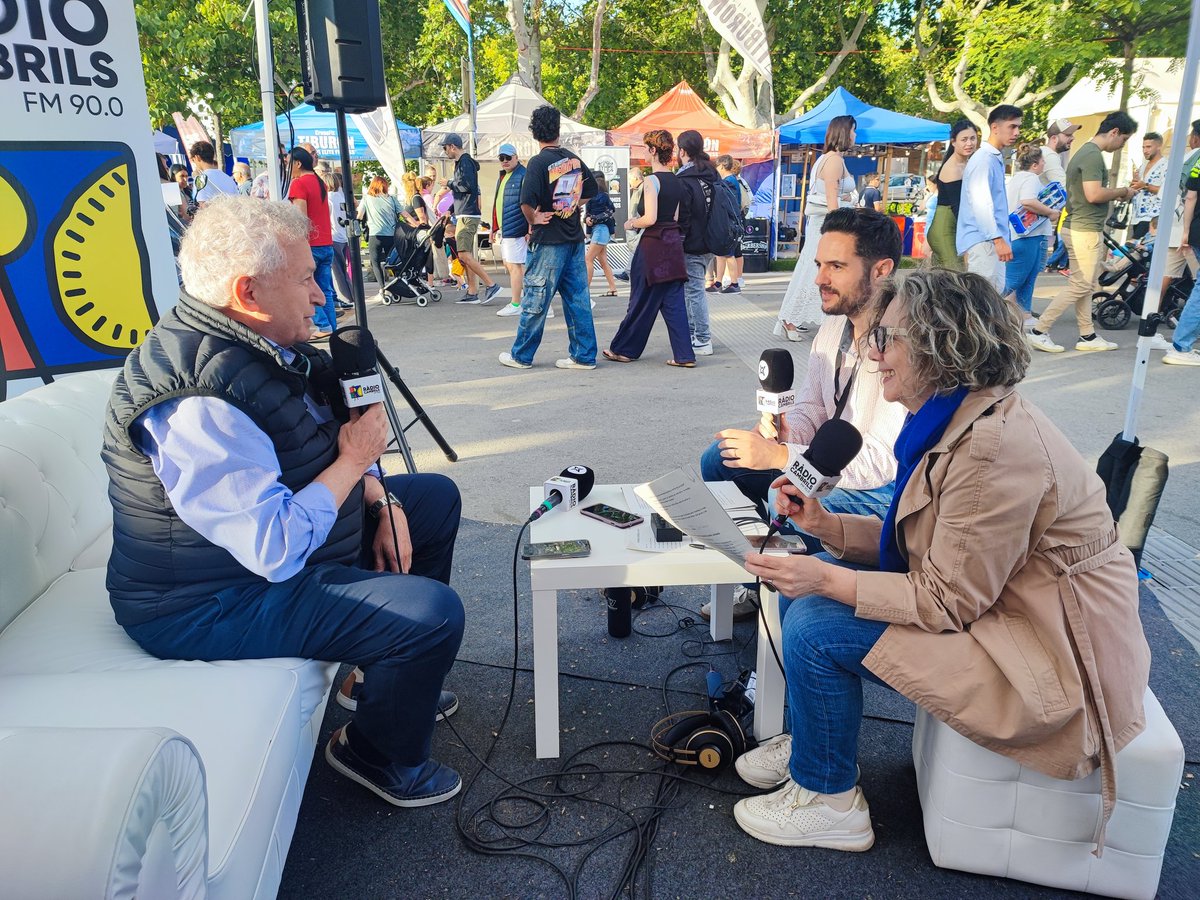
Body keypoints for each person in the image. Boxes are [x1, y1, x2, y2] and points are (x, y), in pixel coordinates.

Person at [731, 268, 1150, 853]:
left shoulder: (989, 448)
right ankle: (813, 745)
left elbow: (945, 598)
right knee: (814, 595)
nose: (872, 354)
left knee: (815, 623)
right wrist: (826, 527)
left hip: (1053, 661)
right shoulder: (960, 418)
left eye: (886, 338)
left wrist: (827, 576)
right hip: (1011, 620)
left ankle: (827, 799)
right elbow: (930, 547)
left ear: (941, 346)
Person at [103, 196, 467, 808]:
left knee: (429, 500)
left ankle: (386, 682)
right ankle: (375, 754)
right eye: (305, 280)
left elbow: (317, 439)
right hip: (206, 602)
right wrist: (355, 463)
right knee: (429, 613)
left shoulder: (252, 344)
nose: (321, 295)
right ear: (248, 293)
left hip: (249, 562)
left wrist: (376, 497)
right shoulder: (199, 403)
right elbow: (274, 549)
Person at [700, 208, 906, 619]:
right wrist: (782, 436)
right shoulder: (834, 326)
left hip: (886, 494)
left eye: (836, 266)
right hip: (832, 465)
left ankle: (792, 599)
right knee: (720, 458)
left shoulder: (904, 342)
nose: (819, 279)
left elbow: (882, 463)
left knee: (787, 503)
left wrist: (783, 460)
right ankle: (757, 585)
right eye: (817, 264)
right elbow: (813, 406)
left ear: (881, 270)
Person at [1028, 111, 1138, 353]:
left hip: (1078, 226)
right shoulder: (1092, 156)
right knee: (1080, 285)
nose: (1122, 145)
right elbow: (1094, 194)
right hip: (1084, 229)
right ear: (1114, 132)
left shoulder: (1085, 152)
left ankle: (1087, 335)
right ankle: (1039, 331)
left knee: (1085, 285)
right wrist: (1122, 191)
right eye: (1125, 139)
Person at [500, 105, 599, 371]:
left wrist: (535, 218)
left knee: (535, 297)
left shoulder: (538, 162)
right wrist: (572, 204)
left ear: (534, 132)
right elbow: (593, 188)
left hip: (548, 240)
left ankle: (521, 355)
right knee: (578, 298)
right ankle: (584, 355)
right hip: (574, 238)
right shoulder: (573, 158)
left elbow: (526, 201)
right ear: (558, 129)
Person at [602, 130, 694, 368]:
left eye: (645, 148)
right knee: (674, 302)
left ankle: (624, 350)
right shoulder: (676, 180)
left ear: (653, 150)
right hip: (673, 244)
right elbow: (673, 216)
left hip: (653, 245)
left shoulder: (652, 181)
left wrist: (632, 222)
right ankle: (684, 355)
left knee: (640, 298)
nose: (643, 152)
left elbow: (651, 218)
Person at [776, 116, 858, 341]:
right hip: (826, 227)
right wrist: (838, 230)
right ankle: (791, 318)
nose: (855, 136)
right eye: (853, 131)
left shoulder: (828, 159)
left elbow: (831, 194)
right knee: (814, 272)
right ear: (844, 133)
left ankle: (794, 318)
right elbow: (831, 199)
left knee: (812, 270)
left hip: (823, 226)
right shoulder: (833, 161)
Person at [958, 105, 1022, 292]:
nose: (1016, 132)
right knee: (982, 304)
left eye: (1018, 127)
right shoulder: (984, 159)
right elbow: (981, 204)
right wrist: (997, 239)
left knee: (990, 300)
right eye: (1012, 126)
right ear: (995, 128)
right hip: (985, 242)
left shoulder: (992, 158)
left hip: (989, 241)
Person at [441, 134, 501, 304]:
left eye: (445, 148)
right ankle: (472, 291)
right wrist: (451, 210)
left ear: (453, 146)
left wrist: (450, 183)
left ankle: (491, 284)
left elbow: (467, 186)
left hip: (467, 215)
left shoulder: (464, 163)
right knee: (465, 255)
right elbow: (466, 192)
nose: (445, 151)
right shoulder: (464, 163)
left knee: (464, 254)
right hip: (465, 213)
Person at [1003, 144, 1059, 325]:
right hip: (1028, 236)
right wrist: (1050, 212)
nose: (1044, 164)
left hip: (1019, 235)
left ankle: (1024, 313)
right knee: (1017, 278)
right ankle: (984, 307)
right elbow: (1027, 201)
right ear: (1035, 164)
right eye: (1043, 161)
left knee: (1027, 276)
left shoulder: (1016, 179)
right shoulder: (1032, 179)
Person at [676, 130, 720, 357]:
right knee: (692, 290)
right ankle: (695, 334)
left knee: (693, 291)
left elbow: (683, 216)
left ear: (682, 151)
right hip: (713, 240)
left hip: (692, 242)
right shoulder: (712, 173)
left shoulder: (684, 179)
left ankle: (702, 338)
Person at [286, 147, 337, 338]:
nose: (287, 167)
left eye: (288, 162)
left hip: (310, 244)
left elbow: (301, 218)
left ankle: (324, 326)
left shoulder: (298, 184)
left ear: (298, 163)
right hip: (326, 242)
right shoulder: (319, 182)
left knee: (307, 287)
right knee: (326, 290)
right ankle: (331, 327)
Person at [926, 120, 977, 270]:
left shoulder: (967, 164)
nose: (969, 143)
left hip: (952, 227)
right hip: (944, 230)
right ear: (953, 142)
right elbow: (958, 207)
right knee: (957, 277)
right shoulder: (953, 167)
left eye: (972, 138)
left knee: (941, 282)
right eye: (964, 139)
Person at [1165, 152, 1200, 367]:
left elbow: (1190, 197)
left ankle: (1183, 344)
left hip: (1196, 229)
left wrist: (1186, 230)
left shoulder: (1198, 162)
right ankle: (1181, 345)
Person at [493, 144, 531, 318]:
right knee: (513, 265)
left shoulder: (522, 175)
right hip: (508, 228)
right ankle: (526, 301)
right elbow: (498, 203)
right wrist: (495, 227)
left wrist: (529, 228)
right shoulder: (506, 177)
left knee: (516, 267)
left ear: (516, 157)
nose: (505, 161)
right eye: (502, 158)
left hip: (516, 228)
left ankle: (517, 303)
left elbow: (529, 201)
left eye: (508, 157)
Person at [358, 175, 404, 302]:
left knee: (375, 262)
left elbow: (360, 215)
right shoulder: (392, 199)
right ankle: (396, 286)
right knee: (393, 261)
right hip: (391, 236)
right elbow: (404, 214)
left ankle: (383, 288)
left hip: (375, 235)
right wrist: (416, 224)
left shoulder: (366, 198)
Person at [712, 154, 748, 293]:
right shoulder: (731, 180)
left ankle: (734, 283)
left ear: (721, 166)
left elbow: (729, 203)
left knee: (728, 253)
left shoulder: (729, 182)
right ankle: (719, 282)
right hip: (728, 220)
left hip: (729, 222)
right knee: (722, 253)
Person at [584, 172, 619, 298]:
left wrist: (590, 219)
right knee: (603, 261)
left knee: (588, 259)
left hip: (598, 231)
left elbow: (588, 214)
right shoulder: (605, 197)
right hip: (602, 230)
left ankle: (585, 290)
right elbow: (610, 213)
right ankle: (613, 289)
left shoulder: (593, 197)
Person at [324, 172, 354, 309]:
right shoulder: (342, 196)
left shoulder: (328, 198)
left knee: (337, 272)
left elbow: (327, 218)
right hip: (344, 235)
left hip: (334, 236)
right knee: (345, 268)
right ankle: (352, 294)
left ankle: (344, 297)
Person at [1130, 132, 1167, 240]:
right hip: (1136, 216)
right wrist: (1134, 182)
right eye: (1143, 147)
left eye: (1149, 147)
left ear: (1159, 146)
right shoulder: (1143, 166)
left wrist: (1145, 185)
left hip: (1152, 217)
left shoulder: (1165, 165)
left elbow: (1166, 191)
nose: (1145, 150)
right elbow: (1137, 187)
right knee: (1135, 250)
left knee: (1137, 251)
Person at [614, 168, 646, 283]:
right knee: (634, 248)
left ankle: (629, 272)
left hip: (637, 224)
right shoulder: (638, 188)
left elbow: (641, 208)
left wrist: (635, 222)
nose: (629, 182)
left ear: (636, 178)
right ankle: (628, 272)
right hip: (636, 223)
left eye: (630, 179)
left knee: (635, 247)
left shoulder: (643, 188)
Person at [188, 141, 239, 207]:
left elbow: (203, 206)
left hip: (214, 216)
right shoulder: (228, 178)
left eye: (193, 160)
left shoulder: (200, 179)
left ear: (197, 157)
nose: (194, 163)